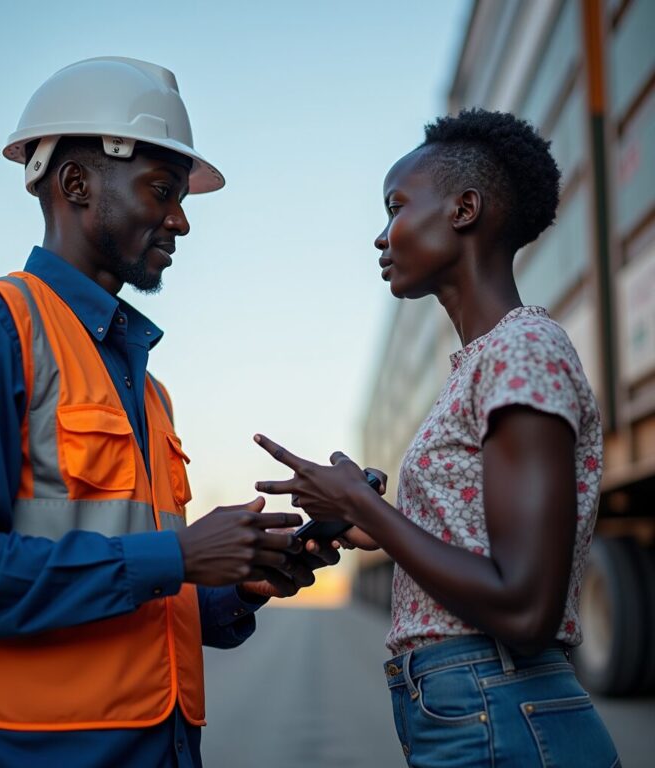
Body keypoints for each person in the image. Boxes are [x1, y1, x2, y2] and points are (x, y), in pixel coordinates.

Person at [0, 57, 335, 768]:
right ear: (76, 186)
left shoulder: (145, 387)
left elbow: (145, 600)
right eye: (163, 190)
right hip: (30, 753)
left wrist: (238, 586)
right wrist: (179, 554)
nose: (181, 221)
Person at [253, 109, 620, 767]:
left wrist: (364, 506)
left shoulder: (522, 350)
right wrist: (364, 519)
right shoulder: (484, 363)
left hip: (500, 704)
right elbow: (481, 550)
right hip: (483, 705)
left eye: (394, 207)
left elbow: (526, 607)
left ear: (464, 209)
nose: (380, 237)